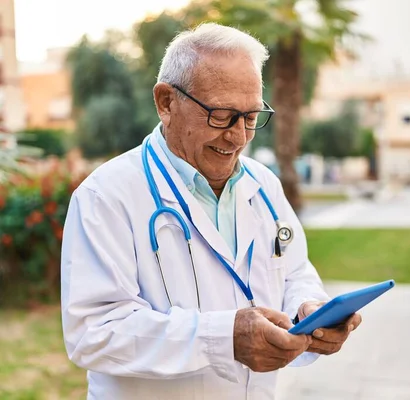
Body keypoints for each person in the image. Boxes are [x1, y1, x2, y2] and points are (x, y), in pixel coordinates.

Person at [60, 23, 361, 399]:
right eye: (221, 115)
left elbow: (294, 271)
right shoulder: (106, 196)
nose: (237, 136)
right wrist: (223, 338)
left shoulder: (263, 185)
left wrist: (309, 311)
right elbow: (93, 332)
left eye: (251, 117)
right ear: (166, 102)